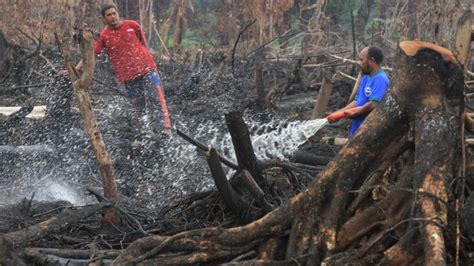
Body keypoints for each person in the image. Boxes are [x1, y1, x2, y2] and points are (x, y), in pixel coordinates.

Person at [75, 3, 171, 134]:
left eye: (114, 13)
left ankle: (165, 127)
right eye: (109, 15)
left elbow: (142, 42)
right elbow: (92, 53)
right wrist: (77, 68)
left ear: (118, 13)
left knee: (155, 96)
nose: (112, 17)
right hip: (128, 76)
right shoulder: (105, 35)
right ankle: (145, 132)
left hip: (147, 69)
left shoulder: (132, 25)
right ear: (104, 18)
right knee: (138, 106)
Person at [327, 46, 390, 137]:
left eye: (361, 60)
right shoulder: (366, 77)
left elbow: (373, 104)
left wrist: (356, 113)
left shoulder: (380, 79)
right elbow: (357, 101)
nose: (358, 63)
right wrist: (338, 113)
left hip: (368, 132)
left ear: (371, 60)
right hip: (357, 129)